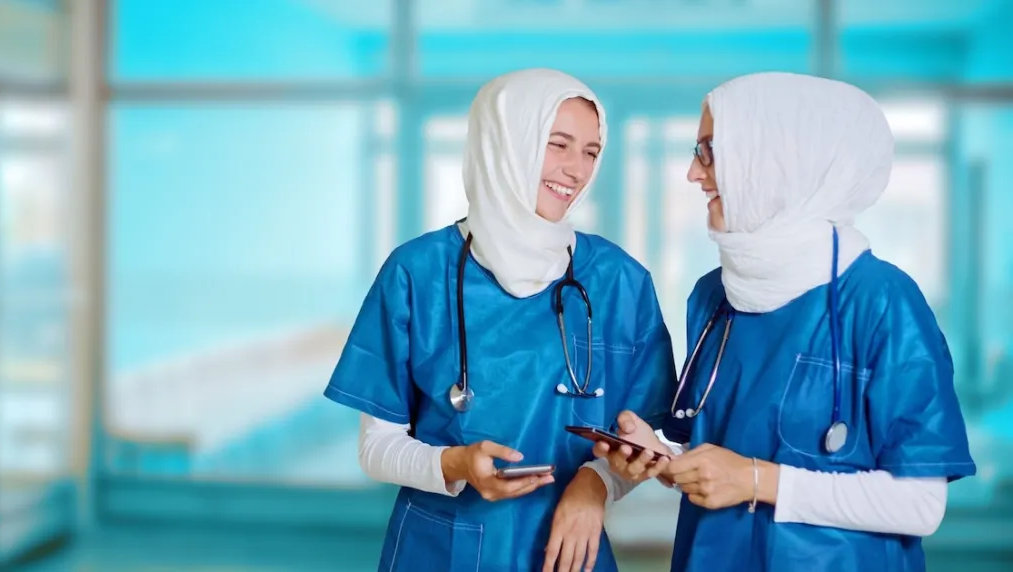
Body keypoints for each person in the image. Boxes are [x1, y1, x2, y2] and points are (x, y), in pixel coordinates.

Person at [593, 72, 977, 572]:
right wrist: (661, 458)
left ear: (775, 161)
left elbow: (921, 506)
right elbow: (711, 447)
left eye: (710, 151)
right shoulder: (716, 296)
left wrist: (757, 480)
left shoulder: (882, 301)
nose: (693, 172)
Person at [322, 68, 676, 572]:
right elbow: (376, 448)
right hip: (441, 551)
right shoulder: (417, 273)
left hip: (569, 551)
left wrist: (596, 483)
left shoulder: (620, 282)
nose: (576, 170)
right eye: (558, 144)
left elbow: (650, 441)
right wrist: (454, 464)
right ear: (506, 142)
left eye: (591, 152)